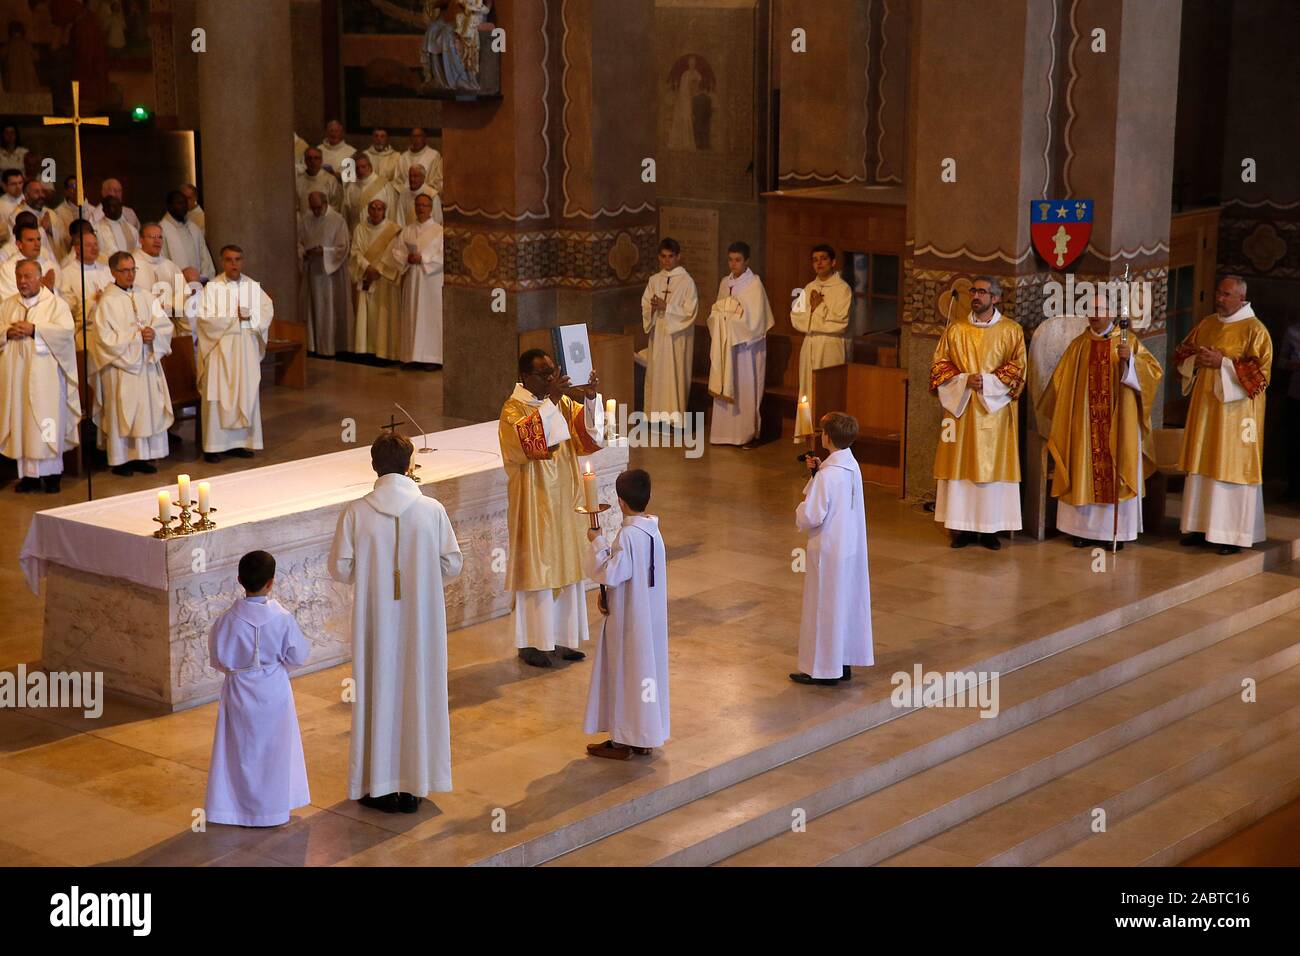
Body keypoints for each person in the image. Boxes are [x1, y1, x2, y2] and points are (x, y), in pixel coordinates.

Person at [329, 432, 464, 814]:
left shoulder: (356, 511)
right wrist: (422, 571)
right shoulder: (432, 510)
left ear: (374, 466)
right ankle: (415, 782)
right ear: (410, 466)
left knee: (379, 691)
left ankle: (378, 783)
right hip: (421, 622)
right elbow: (453, 564)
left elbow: (340, 568)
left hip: (377, 623)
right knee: (418, 689)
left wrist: (372, 572)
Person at [499, 349, 604, 667]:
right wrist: (553, 401)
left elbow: (588, 440)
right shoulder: (512, 410)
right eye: (544, 375)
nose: (551, 379)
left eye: (552, 372)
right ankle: (534, 643)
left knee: (567, 566)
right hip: (535, 503)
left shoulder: (563, 402)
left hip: (565, 501)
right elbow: (531, 445)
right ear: (524, 377)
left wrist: (589, 399)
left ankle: (563, 639)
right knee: (539, 568)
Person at [1039, 291, 1162, 548]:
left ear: (1112, 313)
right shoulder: (1078, 346)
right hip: (1085, 427)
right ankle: (1081, 531)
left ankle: (1113, 534)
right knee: (1083, 467)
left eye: (1099, 309)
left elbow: (1153, 373)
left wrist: (1132, 363)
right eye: (1090, 310)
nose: (1094, 315)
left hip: (1119, 424)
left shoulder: (1129, 342)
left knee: (1116, 468)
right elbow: (1060, 387)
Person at [204, 550, 312, 828]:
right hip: (274, 690)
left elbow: (217, 659)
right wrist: (273, 670)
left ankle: (237, 809)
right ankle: (274, 809)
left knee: (240, 750)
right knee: (275, 750)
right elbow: (298, 655)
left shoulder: (226, 620)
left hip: (238, 691)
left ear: (239, 579)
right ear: (271, 583)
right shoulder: (283, 618)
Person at [1175, 275, 1273, 555]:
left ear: (1241, 298)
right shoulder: (1207, 324)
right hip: (1206, 411)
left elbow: (1261, 377)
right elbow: (1182, 353)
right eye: (1218, 292)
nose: (1220, 298)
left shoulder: (1256, 331)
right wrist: (1197, 360)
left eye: (1227, 295)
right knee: (1202, 464)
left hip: (1237, 417)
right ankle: (1199, 526)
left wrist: (1224, 363)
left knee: (1229, 468)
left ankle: (1230, 534)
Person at [930, 275, 1026, 550]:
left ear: (996, 298)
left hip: (994, 414)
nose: (976, 296)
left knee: (990, 468)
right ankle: (961, 529)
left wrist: (988, 382)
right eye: (974, 290)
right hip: (960, 411)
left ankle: (988, 529)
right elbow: (938, 366)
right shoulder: (956, 330)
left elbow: (1019, 369)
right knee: (960, 467)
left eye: (982, 292)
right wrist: (962, 381)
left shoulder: (1011, 330)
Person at [583, 468, 669, 760]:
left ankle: (622, 740)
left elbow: (612, 572)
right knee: (645, 674)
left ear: (620, 502)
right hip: (648, 617)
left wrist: (597, 541)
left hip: (629, 621)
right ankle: (643, 735)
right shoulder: (653, 530)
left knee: (625, 671)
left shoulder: (629, 535)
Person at [790, 412, 873, 686]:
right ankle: (842, 661)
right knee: (843, 605)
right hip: (848, 547)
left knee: (823, 608)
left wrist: (799, 509)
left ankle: (824, 669)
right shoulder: (851, 466)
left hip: (827, 551)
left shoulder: (828, 475)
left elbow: (813, 515)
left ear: (826, 437)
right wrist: (816, 472)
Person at [88, 252, 174, 476]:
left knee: (146, 410)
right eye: (125, 270)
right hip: (120, 369)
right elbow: (104, 340)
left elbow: (164, 324)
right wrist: (137, 337)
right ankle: (121, 459)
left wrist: (154, 333)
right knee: (123, 412)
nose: (130, 274)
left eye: (133, 269)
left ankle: (142, 457)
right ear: (114, 272)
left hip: (145, 363)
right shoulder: (106, 301)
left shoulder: (146, 295)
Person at [0, 258, 80, 493]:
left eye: (28, 276)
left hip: (46, 379)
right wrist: (7, 333)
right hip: (17, 375)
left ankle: (53, 474)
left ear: (40, 278)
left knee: (46, 422)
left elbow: (66, 334)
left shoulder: (55, 304)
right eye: (19, 277)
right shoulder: (7, 305)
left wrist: (36, 330)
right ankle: (28, 477)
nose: (23, 281)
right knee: (22, 420)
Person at [196, 245, 273, 463]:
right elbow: (204, 319)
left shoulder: (252, 286)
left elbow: (266, 310)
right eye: (229, 260)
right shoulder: (212, 288)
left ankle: (240, 443)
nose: (234, 264)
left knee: (245, 394)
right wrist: (233, 316)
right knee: (219, 396)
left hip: (245, 350)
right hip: (220, 351)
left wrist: (250, 317)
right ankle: (214, 446)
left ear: (243, 261)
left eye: (238, 259)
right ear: (222, 262)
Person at [707, 241, 773, 446]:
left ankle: (746, 434)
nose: (733, 264)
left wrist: (731, 320)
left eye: (737, 260)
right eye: (730, 260)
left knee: (745, 388)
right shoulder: (724, 283)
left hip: (746, 349)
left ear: (747, 261)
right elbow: (716, 313)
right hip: (726, 346)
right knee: (724, 383)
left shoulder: (754, 284)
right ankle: (722, 434)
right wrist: (722, 318)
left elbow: (756, 320)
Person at [790, 244, 851, 441]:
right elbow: (796, 318)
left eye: (823, 259)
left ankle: (831, 437)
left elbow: (841, 321)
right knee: (807, 389)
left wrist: (819, 308)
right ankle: (809, 435)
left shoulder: (842, 289)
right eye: (815, 259)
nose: (819, 263)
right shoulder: (809, 288)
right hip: (811, 344)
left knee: (828, 390)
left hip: (830, 344)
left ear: (833, 262)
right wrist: (813, 311)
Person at [641, 237, 699, 428]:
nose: (667, 261)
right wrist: (652, 307)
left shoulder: (686, 282)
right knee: (657, 375)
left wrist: (668, 307)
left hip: (676, 338)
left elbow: (691, 311)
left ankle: (675, 420)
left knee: (675, 377)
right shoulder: (654, 280)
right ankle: (654, 417)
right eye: (663, 257)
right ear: (659, 257)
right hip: (658, 335)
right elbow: (645, 303)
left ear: (678, 257)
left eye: (671, 257)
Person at [390, 192, 444, 368]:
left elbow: (443, 257)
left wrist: (423, 258)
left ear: (431, 209)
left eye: (424, 206)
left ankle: (432, 358)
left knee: (430, 317)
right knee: (412, 315)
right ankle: (410, 356)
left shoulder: (439, 231)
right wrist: (407, 258)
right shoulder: (408, 230)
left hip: (431, 281)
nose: (420, 209)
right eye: (418, 205)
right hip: (413, 279)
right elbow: (396, 251)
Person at [297, 191, 353, 358]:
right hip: (312, 271)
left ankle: (329, 347)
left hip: (330, 274)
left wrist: (325, 252)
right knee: (312, 309)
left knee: (328, 309)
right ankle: (313, 345)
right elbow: (299, 242)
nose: (315, 211)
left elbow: (343, 247)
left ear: (325, 203)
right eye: (312, 208)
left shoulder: (337, 220)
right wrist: (303, 253)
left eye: (318, 208)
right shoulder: (306, 220)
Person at [350, 197, 401, 359]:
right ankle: (366, 350)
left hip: (383, 278)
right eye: (373, 208)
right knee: (366, 314)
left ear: (384, 211)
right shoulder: (360, 228)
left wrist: (378, 269)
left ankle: (384, 352)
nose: (376, 212)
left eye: (380, 209)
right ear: (368, 210)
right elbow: (355, 252)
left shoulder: (392, 229)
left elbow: (394, 253)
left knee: (383, 314)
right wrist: (367, 267)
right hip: (366, 275)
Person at [133, 222, 186, 334]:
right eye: (152, 237)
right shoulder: (132, 265)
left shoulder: (170, 266)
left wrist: (170, 306)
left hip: (169, 324)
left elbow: (183, 294)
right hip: (144, 327)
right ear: (141, 240)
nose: (157, 241)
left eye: (160, 237)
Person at [58, 220, 111, 327]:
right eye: (89, 245)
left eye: (96, 244)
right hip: (85, 327)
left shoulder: (106, 270)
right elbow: (66, 306)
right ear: (77, 248)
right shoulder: (66, 273)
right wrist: (93, 301)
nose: (94, 248)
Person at [160, 189, 215, 284]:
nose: (184, 206)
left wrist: (204, 278)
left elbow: (204, 256)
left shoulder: (193, 228)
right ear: (169, 206)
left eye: (185, 203)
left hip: (198, 284)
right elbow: (161, 261)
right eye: (179, 203)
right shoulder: (162, 230)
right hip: (176, 286)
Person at [0, 219, 58, 297]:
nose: (37, 244)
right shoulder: (8, 268)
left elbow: (64, 300)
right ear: (19, 244)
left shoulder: (50, 265)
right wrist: (42, 288)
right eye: (31, 240)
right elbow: (10, 301)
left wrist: (52, 290)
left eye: (38, 239)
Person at [343, 152, 396, 232]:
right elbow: (345, 214)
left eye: (363, 166)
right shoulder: (350, 187)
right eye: (357, 168)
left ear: (370, 166)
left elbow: (391, 212)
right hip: (357, 235)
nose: (360, 170)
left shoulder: (384, 185)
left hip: (379, 234)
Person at [393, 127, 443, 194]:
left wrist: (422, 192)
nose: (416, 139)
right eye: (413, 136)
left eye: (419, 136)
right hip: (407, 197)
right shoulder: (403, 157)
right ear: (410, 138)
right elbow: (397, 181)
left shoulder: (434, 155)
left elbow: (437, 179)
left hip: (427, 197)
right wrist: (406, 193)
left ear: (425, 138)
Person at [295, 147, 342, 216]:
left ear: (321, 160)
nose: (312, 161)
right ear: (305, 161)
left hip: (325, 223)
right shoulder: (298, 181)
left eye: (316, 158)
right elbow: (296, 207)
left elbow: (335, 206)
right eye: (309, 158)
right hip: (305, 224)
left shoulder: (331, 180)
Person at [394, 162, 442, 227]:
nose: (412, 179)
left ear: (423, 178)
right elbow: (400, 219)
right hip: (408, 234)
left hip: (427, 234)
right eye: (410, 176)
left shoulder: (432, 195)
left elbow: (437, 220)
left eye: (415, 176)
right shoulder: (404, 194)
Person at [94, 194, 138, 262]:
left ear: (121, 207)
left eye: (116, 206)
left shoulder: (131, 229)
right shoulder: (96, 229)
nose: (112, 209)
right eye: (109, 206)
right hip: (106, 268)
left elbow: (137, 249)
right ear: (103, 210)